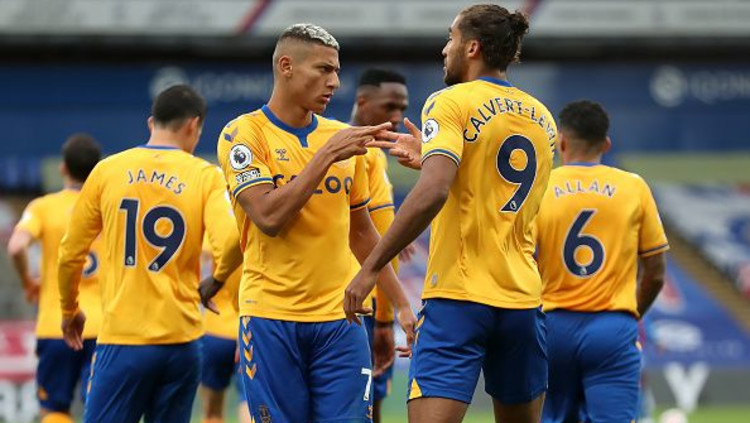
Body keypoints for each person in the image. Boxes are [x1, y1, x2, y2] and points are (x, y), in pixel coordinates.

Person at [345, 4, 556, 423]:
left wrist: (371, 267)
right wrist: (434, 158)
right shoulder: (542, 117)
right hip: (522, 300)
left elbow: (434, 191)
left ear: (472, 47)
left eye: (451, 38)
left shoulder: (450, 101)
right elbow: (492, 184)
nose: (445, 49)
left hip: (459, 297)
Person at [213, 24, 416, 423]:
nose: (334, 82)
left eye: (336, 71)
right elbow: (268, 217)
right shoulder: (243, 135)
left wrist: (401, 304)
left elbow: (362, 233)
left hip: (341, 320)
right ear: (286, 66)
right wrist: (325, 156)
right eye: (323, 70)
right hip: (271, 317)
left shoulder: (342, 138)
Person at [57, 84, 243, 423]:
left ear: (151, 123)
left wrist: (70, 309)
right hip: (182, 340)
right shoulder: (206, 175)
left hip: (123, 340)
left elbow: (70, 252)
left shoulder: (108, 171)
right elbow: (232, 240)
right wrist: (216, 280)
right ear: (193, 125)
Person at [534, 100, 668, 423]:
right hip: (611, 326)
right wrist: (631, 314)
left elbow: (521, 258)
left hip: (552, 327)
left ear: (561, 143)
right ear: (606, 144)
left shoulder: (540, 186)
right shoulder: (633, 187)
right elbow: (655, 274)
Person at [7, 134, 102, 423]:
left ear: (63, 168)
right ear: (96, 170)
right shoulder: (106, 207)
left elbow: (16, 247)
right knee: (100, 409)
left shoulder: (43, 207)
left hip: (57, 324)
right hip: (104, 328)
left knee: (54, 410)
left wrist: (28, 281)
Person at [349, 68, 411, 423]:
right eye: (390, 106)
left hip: (315, 303)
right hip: (363, 307)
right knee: (367, 410)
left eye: (402, 108)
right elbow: (380, 245)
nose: (397, 117)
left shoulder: (324, 144)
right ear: (362, 102)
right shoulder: (369, 155)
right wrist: (386, 321)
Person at [199, 238, 250, 423]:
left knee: (212, 412)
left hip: (215, 328)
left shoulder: (215, 228)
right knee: (249, 401)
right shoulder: (255, 230)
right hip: (248, 327)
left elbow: (201, 260)